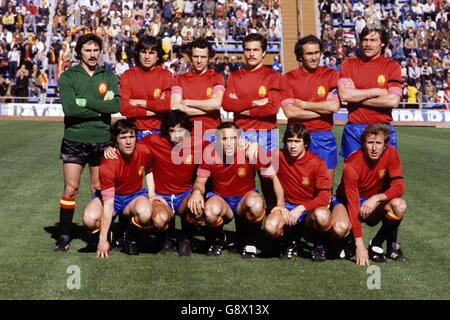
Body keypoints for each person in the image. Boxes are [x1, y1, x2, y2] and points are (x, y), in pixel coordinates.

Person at [55, 33, 121, 252]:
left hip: (102, 139)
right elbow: (70, 109)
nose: (92, 55)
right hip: (75, 138)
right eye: (87, 51)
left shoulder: (108, 76)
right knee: (71, 188)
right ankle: (64, 236)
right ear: (79, 53)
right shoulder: (68, 76)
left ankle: (99, 235)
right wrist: (99, 107)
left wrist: (85, 102)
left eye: (95, 50)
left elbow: (115, 106)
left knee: (98, 188)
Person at [188, 121, 285, 258]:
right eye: (224, 138)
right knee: (210, 211)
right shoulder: (209, 154)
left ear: (239, 138)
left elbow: (273, 178)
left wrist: (280, 204)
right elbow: (200, 181)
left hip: (243, 200)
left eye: (233, 138)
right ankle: (219, 239)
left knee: (256, 203)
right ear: (217, 139)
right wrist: (197, 192)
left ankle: (249, 242)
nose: (228, 143)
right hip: (221, 200)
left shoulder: (252, 151)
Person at [221, 33, 283, 211]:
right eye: (247, 50)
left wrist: (241, 106)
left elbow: (272, 108)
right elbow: (227, 104)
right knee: (242, 182)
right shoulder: (235, 77)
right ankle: (248, 233)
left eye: (256, 50)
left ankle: (273, 229)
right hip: (241, 134)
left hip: (267, 134)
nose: (251, 54)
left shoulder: (273, 76)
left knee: (269, 182)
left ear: (264, 52)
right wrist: (255, 102)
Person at [331, 124, 407, 266]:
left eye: (378, 143)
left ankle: (376, 243)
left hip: (372, 201)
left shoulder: (391, 153)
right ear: (363, 144)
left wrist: (376, 198)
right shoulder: (351, 163)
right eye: (370, 142)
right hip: (346, 200)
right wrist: (360, 245)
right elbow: (353, 205)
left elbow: (399, 187)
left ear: (385, 145)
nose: (374, 148)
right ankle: (349, 242)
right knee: (339, 228)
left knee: (399, 205)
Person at [140, 110, 212, 257]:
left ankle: (185, 238)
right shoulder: (153, 140)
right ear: (166, 130)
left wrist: (246, 145)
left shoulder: (198, 143)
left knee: (198, 208)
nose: (176, 135)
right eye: (172, 131)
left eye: (181, 131)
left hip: (185, 195)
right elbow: (129, 147)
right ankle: (165, 238)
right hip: (161, 197)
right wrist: (113, 147)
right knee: (159, 220)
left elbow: (224, 149)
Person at [83, 119, 153, 257]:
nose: (128, 142)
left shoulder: (144, 151)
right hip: (111, 199)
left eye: (131, 137)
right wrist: (102, 241)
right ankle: (108, 234)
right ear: (115, 141)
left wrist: (151, 195)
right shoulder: (108, 163)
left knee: (145, 213)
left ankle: (130, 236)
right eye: (123, 138)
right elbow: (108, 205)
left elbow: (149, 170)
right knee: (89, 219)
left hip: (133, 196)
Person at [263, 123, 333, 261]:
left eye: (297, 141)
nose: (293, 146)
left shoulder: (317, 163)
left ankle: (319, 245)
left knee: (323, 216)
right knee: (270, 227)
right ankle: (287, 240)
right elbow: (257, 158)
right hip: (287, 206)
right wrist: (248, 146)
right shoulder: (278, 155)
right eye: (289, 141)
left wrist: (301, 208)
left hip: (308, 209)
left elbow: (325, 197)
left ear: (306, 143)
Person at [281, 35, 340, 193]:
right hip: (296, 138)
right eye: (309, 54)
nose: (314, 57)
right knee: (293, 187)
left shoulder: (331, 75)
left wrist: (304, 104)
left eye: (317, 53)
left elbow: (334, 106)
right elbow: (291, 112)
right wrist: (323, 109)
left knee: (325, 188)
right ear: (300, 56)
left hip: (323, 136)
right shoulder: (287, 78)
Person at [337, 25, 402, 160]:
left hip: (382, 129)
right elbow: (344, 95)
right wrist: (378, 91)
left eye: (373, 40)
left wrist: (356, 95)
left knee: (383, 177)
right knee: (352, 176)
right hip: (354, 129)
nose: (368, 44)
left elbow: (393, 101)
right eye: (365, 40)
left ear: (382, 43)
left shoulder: (392, 66)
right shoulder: (348, 64)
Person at [170, 37, 225, 142]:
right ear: (190, 57)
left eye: (203, 57)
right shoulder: (180, 79)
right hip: (187, 135)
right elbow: (174, 107)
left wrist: (187, 102)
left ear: (209, 58)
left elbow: (216, 104)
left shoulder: (217, 77)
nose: (199, 60)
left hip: (211, 134)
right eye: (195, 56)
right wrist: (207, 109)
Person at [119, 35, 173, 140]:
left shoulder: (166, 75)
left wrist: (138, 102)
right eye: (144, 52)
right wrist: (153, 111)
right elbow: (123, 107)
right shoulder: (128, 75)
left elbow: (166, 105)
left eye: (151, 53)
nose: (147, 57)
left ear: (158, 56)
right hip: (134, 133)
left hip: (159, 132)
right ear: (138, 54)